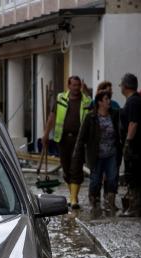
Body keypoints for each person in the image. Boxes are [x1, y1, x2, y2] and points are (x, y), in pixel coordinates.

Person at [42, 76, 92, 209]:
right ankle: (72, 195)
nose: (76, 88)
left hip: (79, 139)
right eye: (74, 85)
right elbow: (52, 117)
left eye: (78, 85)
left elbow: (92, 116)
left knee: (76, 168)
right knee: (66, 169)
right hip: (63, 139)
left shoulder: (86, 100)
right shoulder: (60, 99)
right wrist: (46, 135)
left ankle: (74, 199)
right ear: (69, 85)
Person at [73, 91, 121, 216]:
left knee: (112, 178)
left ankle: (110, 202)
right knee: (95, 180)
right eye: (106, 99)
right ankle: (95, 202)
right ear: (99, 102)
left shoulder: (114, 115)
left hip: (111, 153)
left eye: (109, 99)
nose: (109, 101)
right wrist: (77, 153)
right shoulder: (91, 117)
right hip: (96, 155)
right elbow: (81, 136)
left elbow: (120, 131)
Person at [120, 73, 141, 217]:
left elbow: (133, 123)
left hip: (136, 144)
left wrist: (128, 142)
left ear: (126, 86)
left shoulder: (132, 102)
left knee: (133, 175)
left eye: (121, 85)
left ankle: (135, 207)